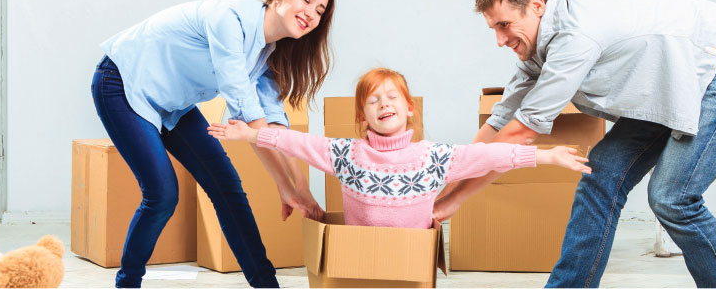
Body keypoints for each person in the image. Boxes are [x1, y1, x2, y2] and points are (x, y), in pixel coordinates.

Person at [435, 0, 716, 287]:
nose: (499, 39)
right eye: (494, 28)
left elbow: (522, 132)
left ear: (536, 6)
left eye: (504, 25)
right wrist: (441, 189)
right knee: (599, 177)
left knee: (673, 198)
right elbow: (498, 123)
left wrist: (456, 203)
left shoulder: (575, 36)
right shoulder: (538, 49)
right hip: (677, 84)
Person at [91, 0, 333, 288]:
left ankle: (266, 284)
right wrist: (283, 185)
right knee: (162, 195)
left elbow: (274, 125)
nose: (311, 14)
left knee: (227, 187)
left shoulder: (269, 54)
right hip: (122, 83)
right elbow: (250, 120)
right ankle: (128, 283)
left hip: (172, 105)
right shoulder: (229, 21)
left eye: (320, 11)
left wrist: (301, 190)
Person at [208, 68, 591, 229]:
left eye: (392, 97)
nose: (384, 104)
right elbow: (300, 142)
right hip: (359, 260)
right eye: (373, 101)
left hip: (410, 261)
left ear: (409, 108)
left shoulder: (431, 158)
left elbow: (491, 155)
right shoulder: (347, 154)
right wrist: (250, 135)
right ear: (363, 115)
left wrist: (548, 156)